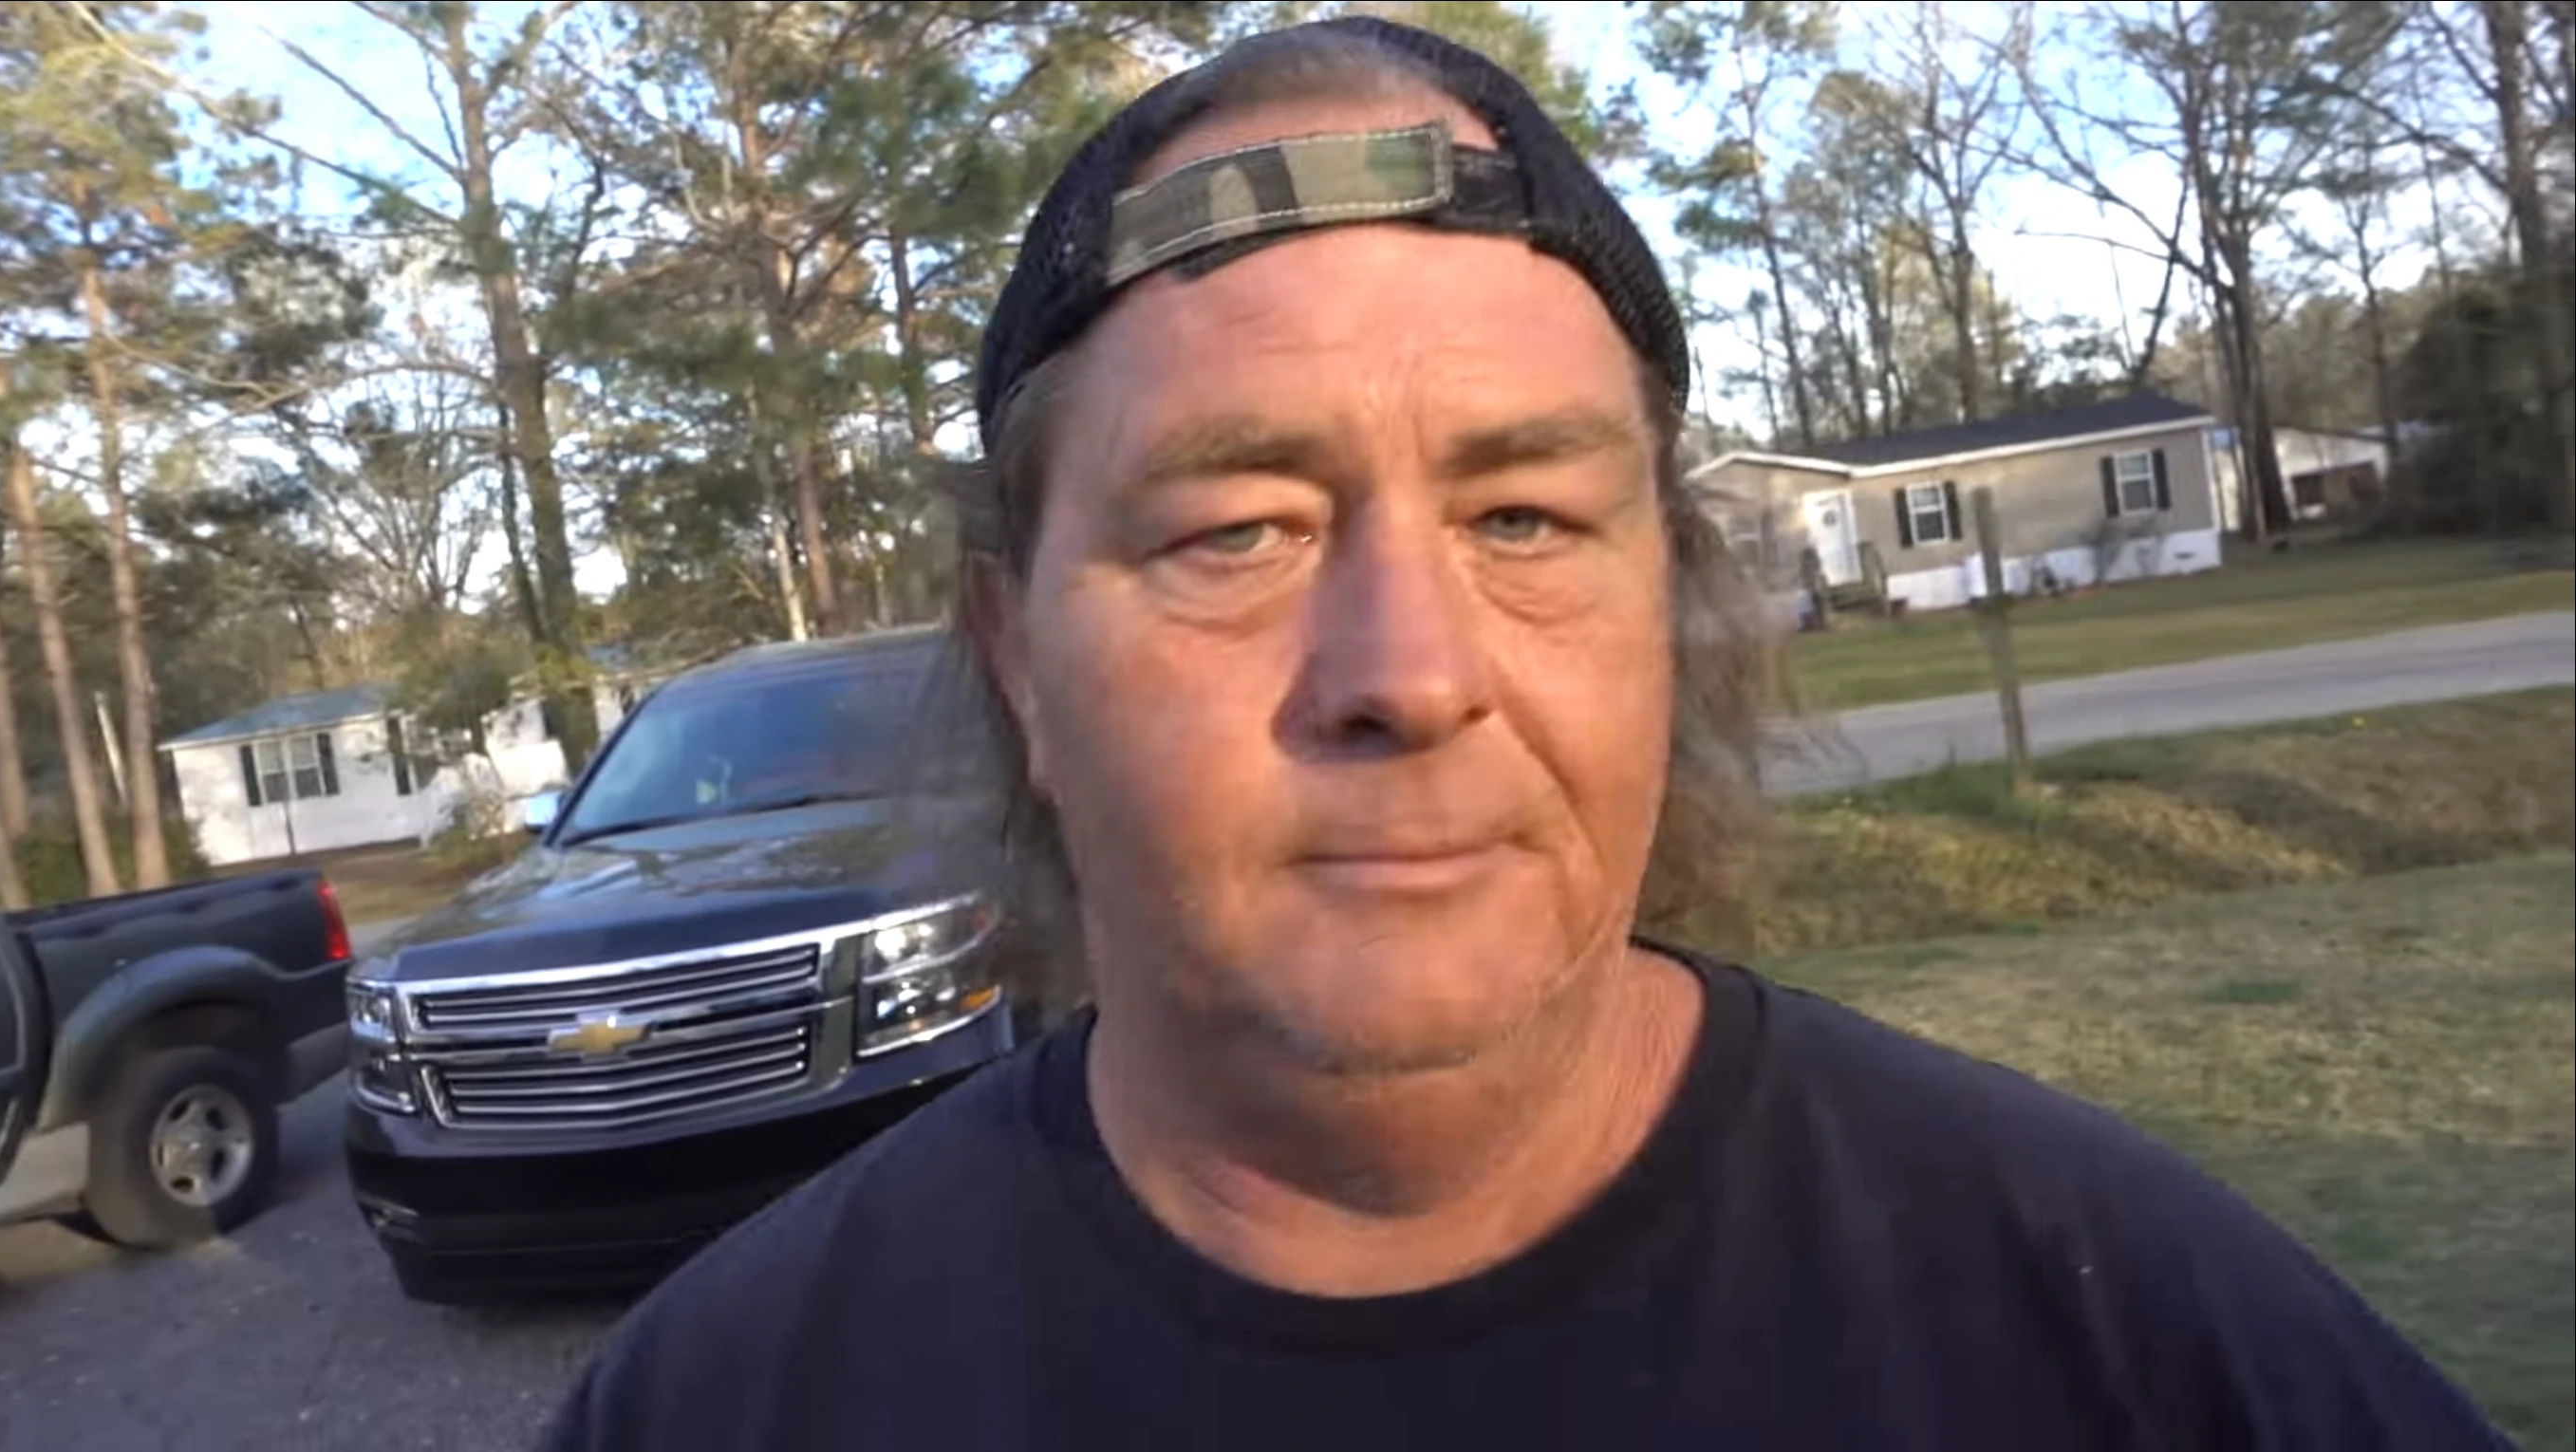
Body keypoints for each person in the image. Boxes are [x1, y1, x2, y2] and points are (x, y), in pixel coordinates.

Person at [541, 19, 2511, 1450]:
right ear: (1018, 661)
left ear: (1672, 608)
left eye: (1523, 518)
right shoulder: (731, 1398)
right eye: (1237, 530)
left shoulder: (2128, 1331)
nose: (1409, 671)